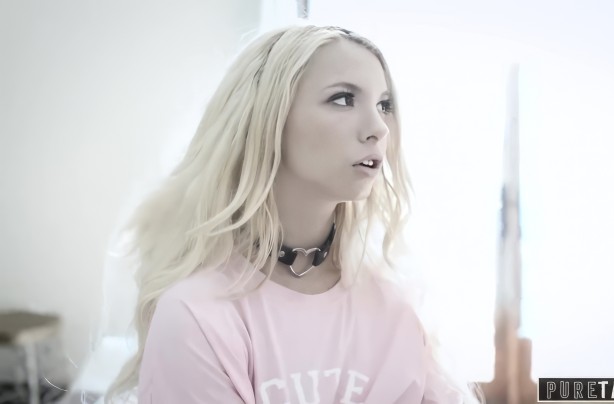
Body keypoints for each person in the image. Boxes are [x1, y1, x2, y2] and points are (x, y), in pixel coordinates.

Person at [106, 24, 478, 403]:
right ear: (268, 117)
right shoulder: (196, 315)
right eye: (343, 99)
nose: (378, 128)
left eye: (384, 105)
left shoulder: (394, 311)